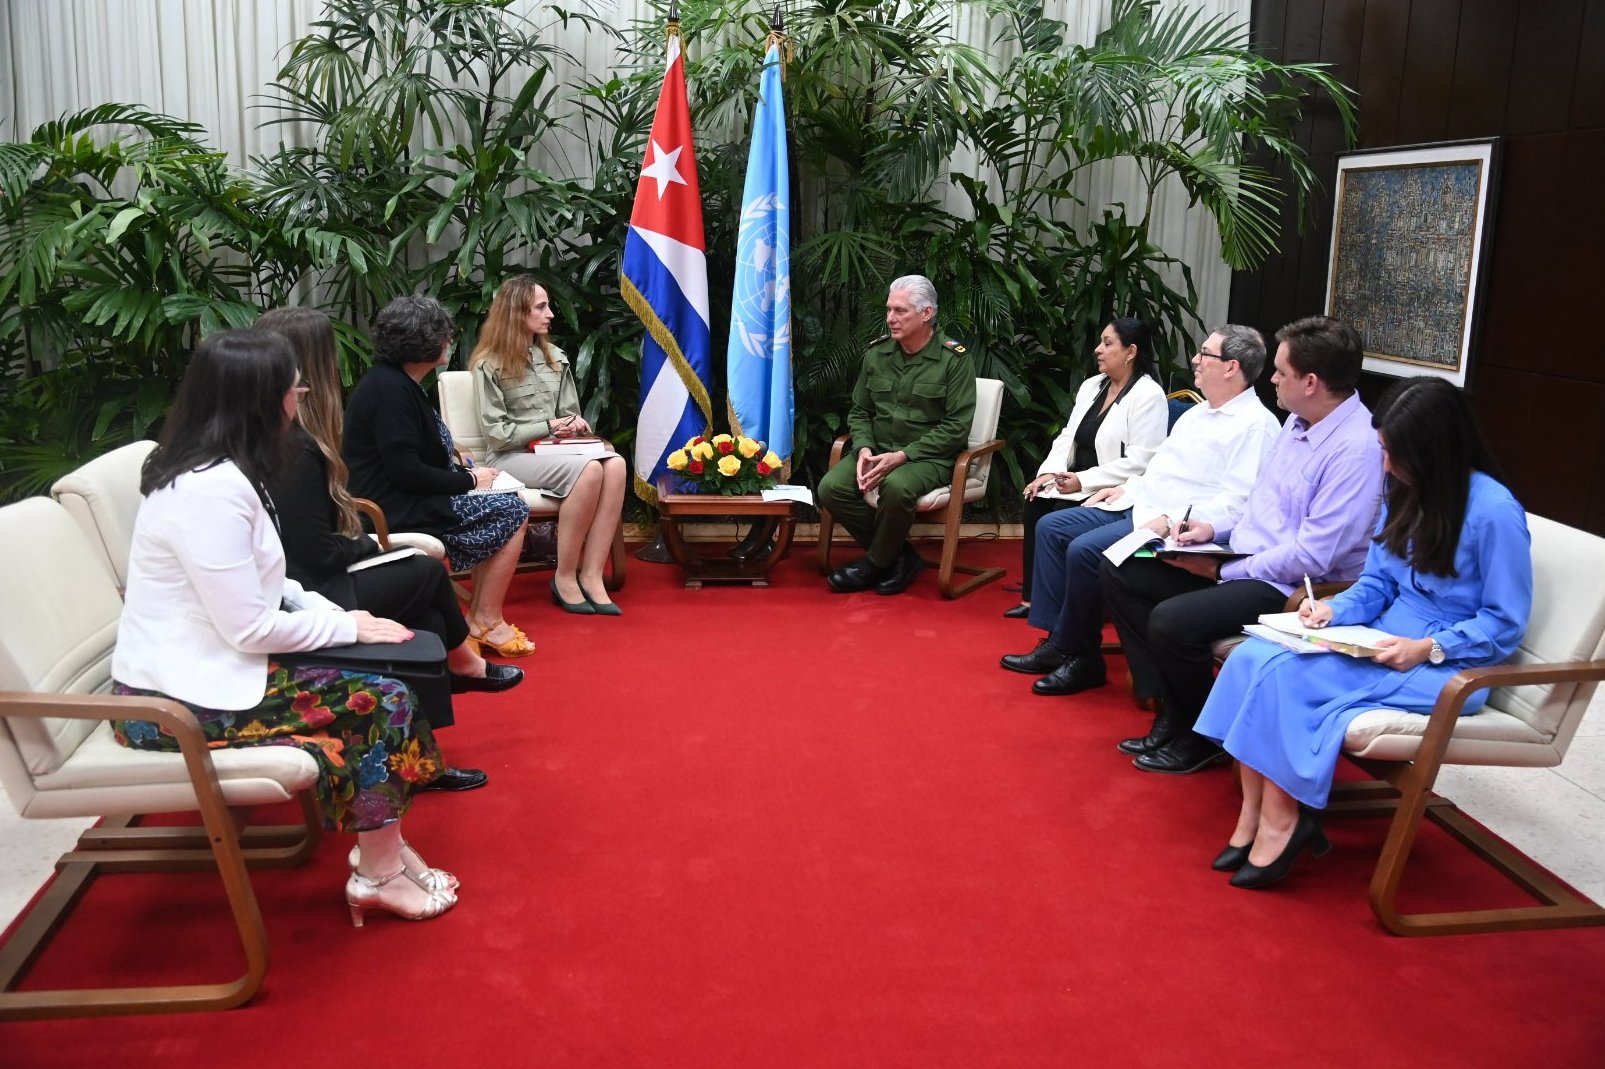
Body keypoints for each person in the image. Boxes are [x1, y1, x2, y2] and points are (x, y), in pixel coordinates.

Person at [110, 329, 457, 925]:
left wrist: (341, 619)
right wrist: (344, 626)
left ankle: (385, 853)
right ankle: (379, 872)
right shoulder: (207, 491)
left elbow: (278, 585)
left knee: (381, 683)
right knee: (382, 701)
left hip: (208, 671)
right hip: (172, 704)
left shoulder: (223, 471)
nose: (301, 400)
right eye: (295, 389)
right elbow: (249, 628)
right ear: (262, 400)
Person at [1196, 376, 1531, 888]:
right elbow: (1376, 582)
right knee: (1251, 657)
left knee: (1289, 680)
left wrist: (1429, 647)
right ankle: (1254, 814)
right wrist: (1332, 609)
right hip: (1383, 638)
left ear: (1433, 451)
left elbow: (1504, 622)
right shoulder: (1403, 490)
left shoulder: (1493, 511)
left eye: (1393, 453)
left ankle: (1283, 821)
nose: (1386, 464)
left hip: (1446, 665)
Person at [1100, 315, 1387, 774]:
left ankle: (1200, 736)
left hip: (1293, 587)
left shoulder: (1356, 449)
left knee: (1173, 621)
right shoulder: (1298, 421)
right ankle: (1173, 712)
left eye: (1281, 372)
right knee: (1123, 569)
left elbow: (1313, 556)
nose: (1271, 378)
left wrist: (1221, 572)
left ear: (1311, 382)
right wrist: (1210, 532)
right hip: (1244, 556)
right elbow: (1256, 501)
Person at [257, 306, 525, 795]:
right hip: (303, 594)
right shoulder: (292, 448)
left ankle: (426, 745)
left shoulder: (282, 439)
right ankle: (458, 668)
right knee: (421, 575)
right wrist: (365, 547)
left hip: (301, 580)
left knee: (420, 594)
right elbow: (314, 552)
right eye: (326, 360)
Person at [1001, 325, 1281, 696]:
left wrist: (1170, 520)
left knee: (1085, 552)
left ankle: (1081, 658)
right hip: (1140, 503)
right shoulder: (1199, 414)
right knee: (1054, 527)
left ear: (1230, 367)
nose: (1194, 360)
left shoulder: (1255, 427)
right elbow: (1156, 469)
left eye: (1204, 354)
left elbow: (1236, 502)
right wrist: (1124, 488)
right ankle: (1059, 640)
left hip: (1172, 528)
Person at [343, 295, 533, 657]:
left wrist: (468, 475)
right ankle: (486, 620)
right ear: (423, 341)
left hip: (406, 495)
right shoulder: (389, 391)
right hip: (393, 506)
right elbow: (406, 472)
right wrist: (470, 482)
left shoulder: (398, 383)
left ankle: (482, 617)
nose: (450, 341)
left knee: (506, 503)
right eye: (444, 334)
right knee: (512, 510)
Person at [469, 275, 627, 615]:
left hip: (554, 453)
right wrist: (549, 425)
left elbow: (567, 416)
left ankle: (593, 574)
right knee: (588, 471)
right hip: (510, 458)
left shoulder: (556, 357)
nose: (551, 314)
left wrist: (572, 425)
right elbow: (498, 435)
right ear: (516, 313)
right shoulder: (489, 363)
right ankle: (565, 577)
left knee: (615, 464)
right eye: (541, 307)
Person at [817, 274, 976, 595]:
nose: (890, 318)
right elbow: (860, 412)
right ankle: (900, 556)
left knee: (897, 485)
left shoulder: (953, 361)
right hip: (877, 450)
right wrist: (862, 449)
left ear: (927, 313)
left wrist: (902, 456)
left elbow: (956, 427)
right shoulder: (877, 355)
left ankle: (873, 563)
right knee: (831, 488)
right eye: (889, 310)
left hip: (927, 457)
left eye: (900, 311)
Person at [1004, 317, 1169, 619]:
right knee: (1036, 502)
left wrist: (1081, 480)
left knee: (1056, 517)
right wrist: (1048, 473)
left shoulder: (1149, 396)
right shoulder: (1092, 385)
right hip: (1072, 479)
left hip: (1114, 488)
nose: (1098, 350)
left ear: (1130, 352)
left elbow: (1141, 462)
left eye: (1107, 344)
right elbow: (1068, 435)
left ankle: (1068, 606)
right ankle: (1033, 598)